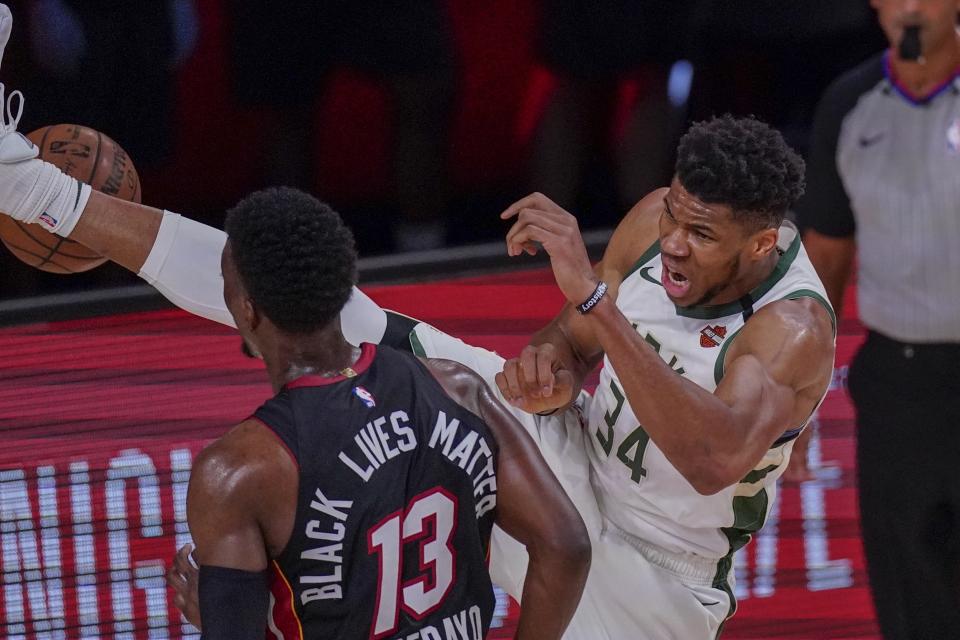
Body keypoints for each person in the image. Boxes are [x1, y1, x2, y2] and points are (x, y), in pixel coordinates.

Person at [0, 106, 836, 636]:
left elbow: (713, 455)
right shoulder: (659, 219)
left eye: (703, 236)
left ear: (762, 245)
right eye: (678, 218)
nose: (677, 243)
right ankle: (37, 190)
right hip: (566, 453)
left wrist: (591, 307)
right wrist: (552, 351)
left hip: (656, 580)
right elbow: (575, 341)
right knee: (321, 306)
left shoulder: (792, 331)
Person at [793, 0, 960, 636]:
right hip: (901, 384)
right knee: (913, 599)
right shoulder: (850, 103)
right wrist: (800, 392)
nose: (911, 7)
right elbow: (827, 256)